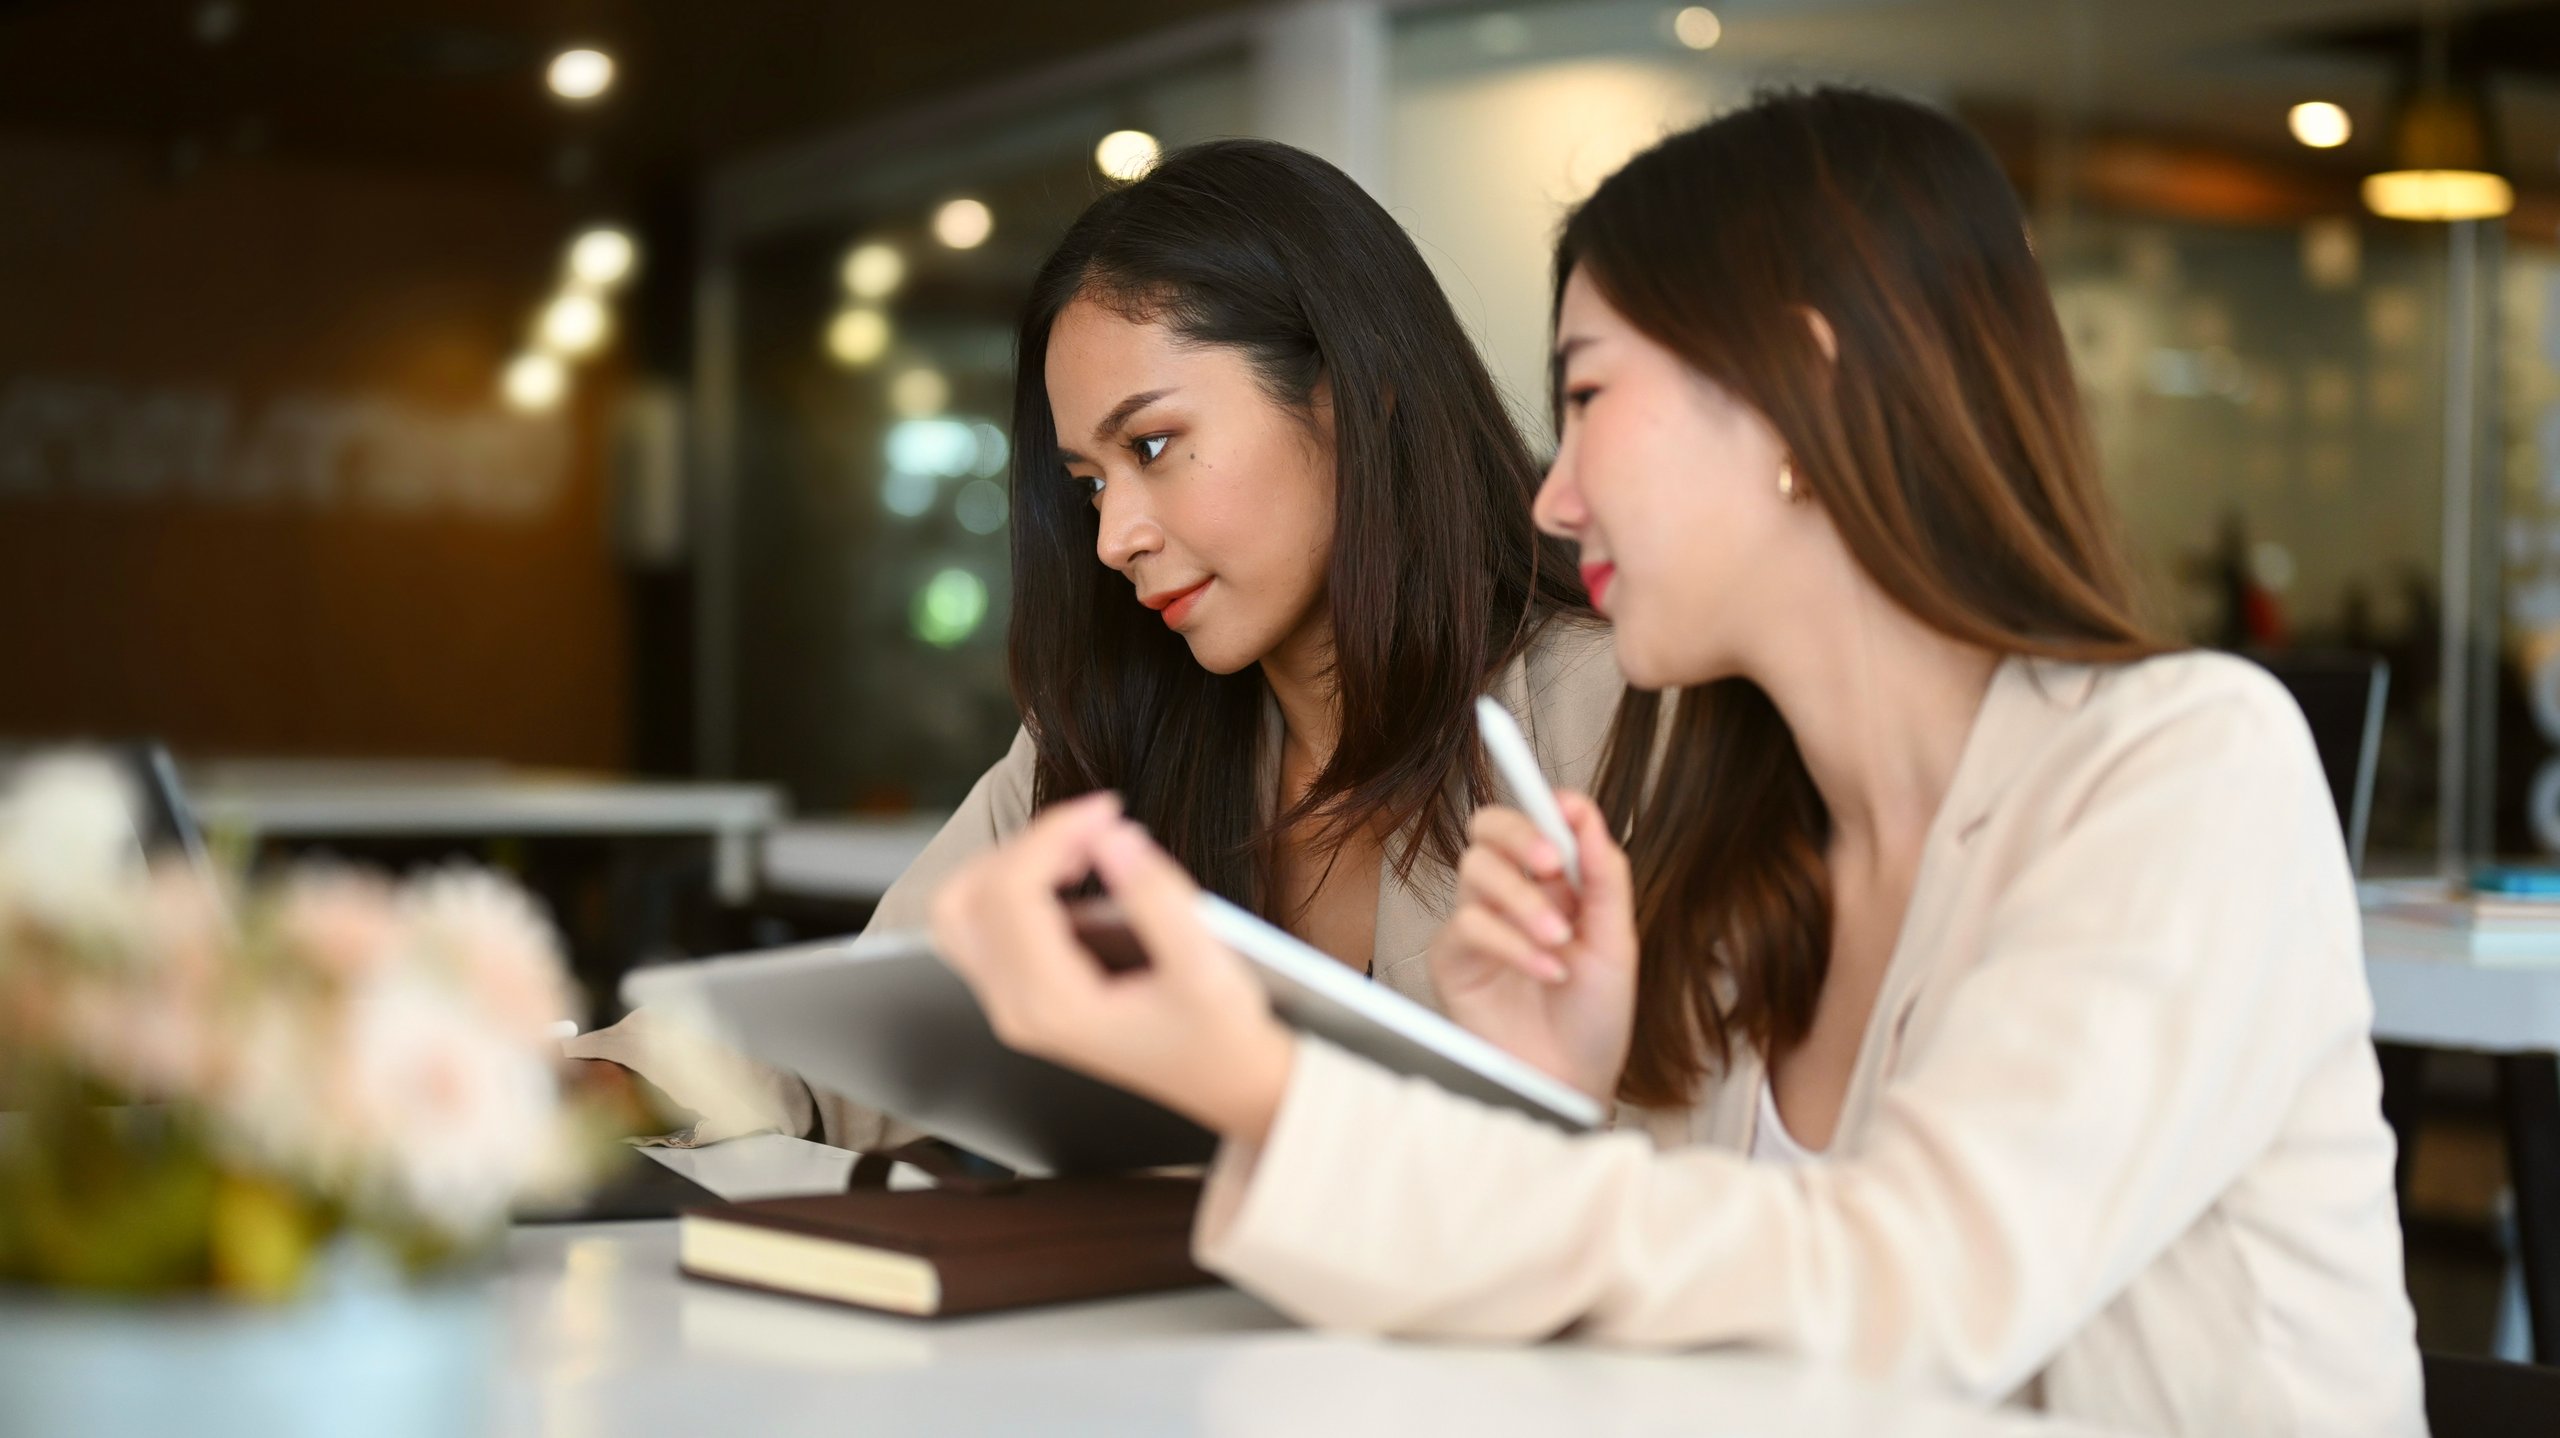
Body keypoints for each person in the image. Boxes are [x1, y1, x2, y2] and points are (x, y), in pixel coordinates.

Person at [927, 89, 2424, 1435]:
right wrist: (1551, 1095)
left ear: (1797, 393)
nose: (1555, 496)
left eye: (1586, 397)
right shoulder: (1725, 813)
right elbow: (1667, 1330)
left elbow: (1921, 1293)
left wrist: (1262, 1079)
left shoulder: (2185, 768)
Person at [564, 138, 1621, 1149]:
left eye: (1154, 445)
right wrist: (617, 1083)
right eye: (1090, 484)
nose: (1115, 538)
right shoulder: (1116, 733)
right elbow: (863, 1034)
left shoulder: (1604, 712)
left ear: (1358, 393)